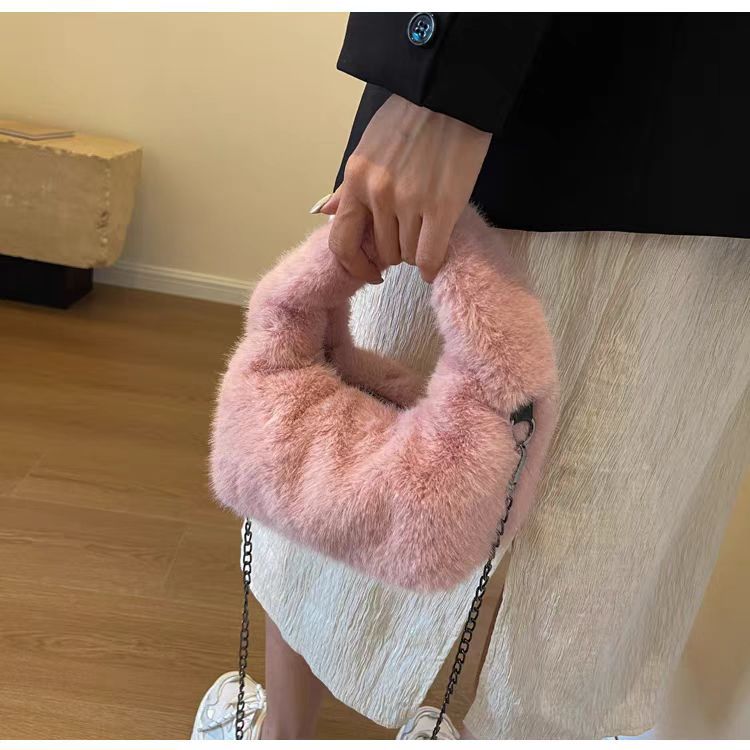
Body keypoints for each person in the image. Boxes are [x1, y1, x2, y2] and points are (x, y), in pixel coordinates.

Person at [193, 13, 750, 740]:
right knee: (597, 506)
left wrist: (439, 79)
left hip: (533, 91)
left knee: (341, 434)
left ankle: (282, 735)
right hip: (715, 138)